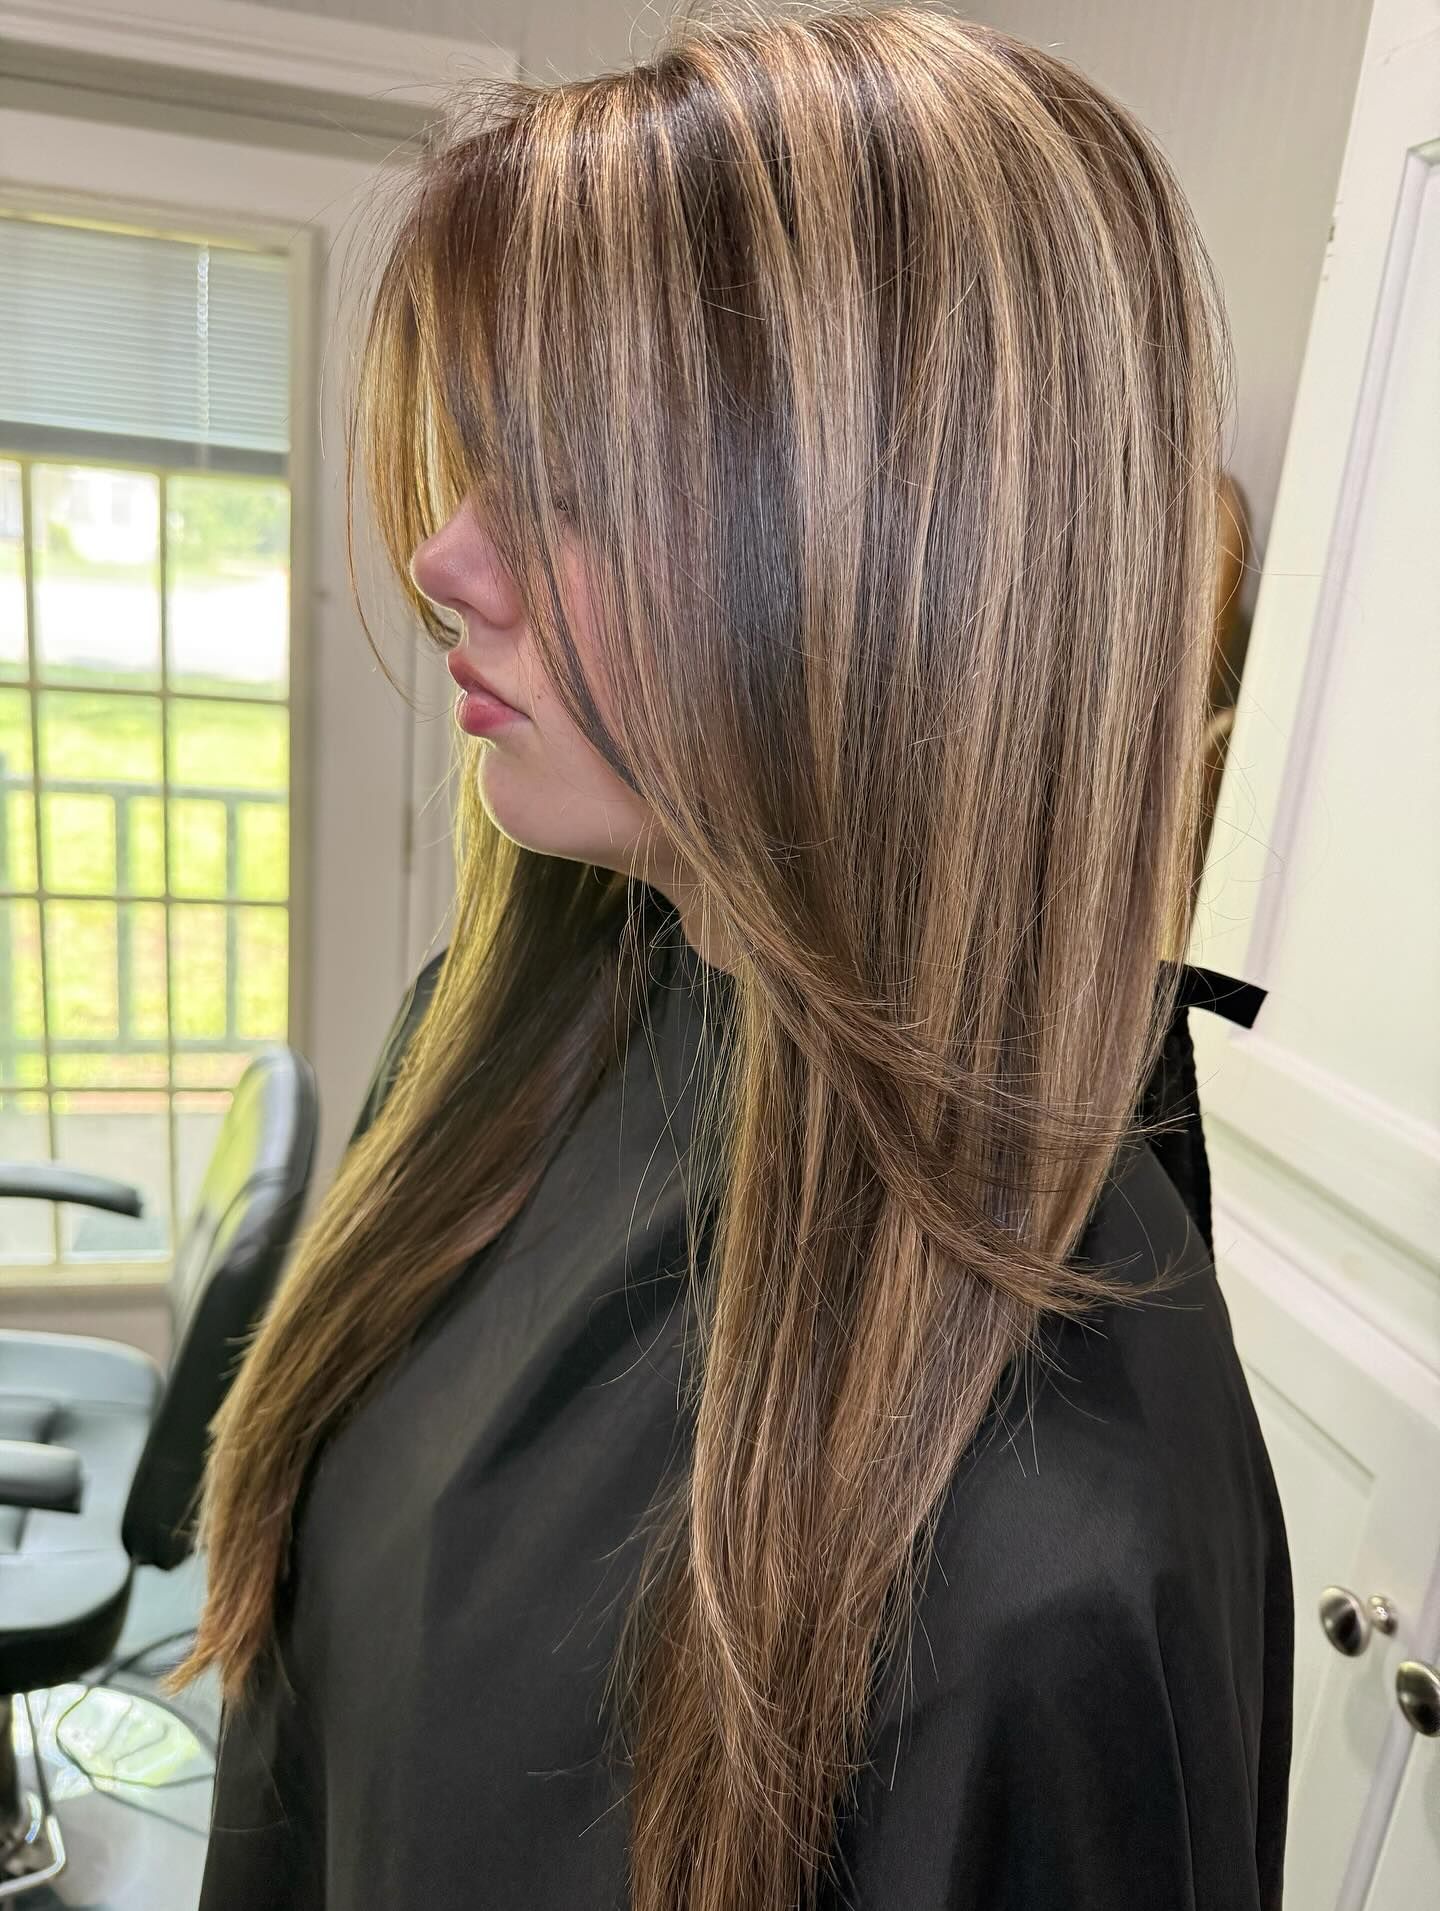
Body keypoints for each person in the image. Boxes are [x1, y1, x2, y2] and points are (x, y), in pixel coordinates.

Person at [182, 6, 1293, 1907]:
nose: (444, 557)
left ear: (893, 561)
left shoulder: (1045, 1575)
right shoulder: (507, 1040)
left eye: (573, 484)